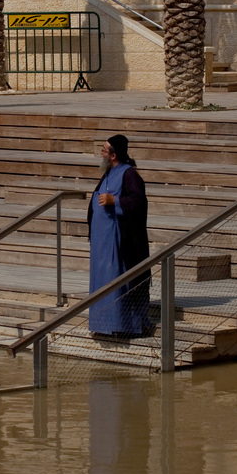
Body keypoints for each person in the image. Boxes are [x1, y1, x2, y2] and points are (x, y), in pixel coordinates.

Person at [88, 134, 151, 337]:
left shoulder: (130, 175)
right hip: (102, 245)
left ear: (114, 155)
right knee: (102, 283)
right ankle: (102, 325)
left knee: (120, 283)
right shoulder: (108, 173)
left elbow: (139, 202)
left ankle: (124, 326)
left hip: (120, 243)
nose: (101, 152)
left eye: (104, 150)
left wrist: (115, 201)